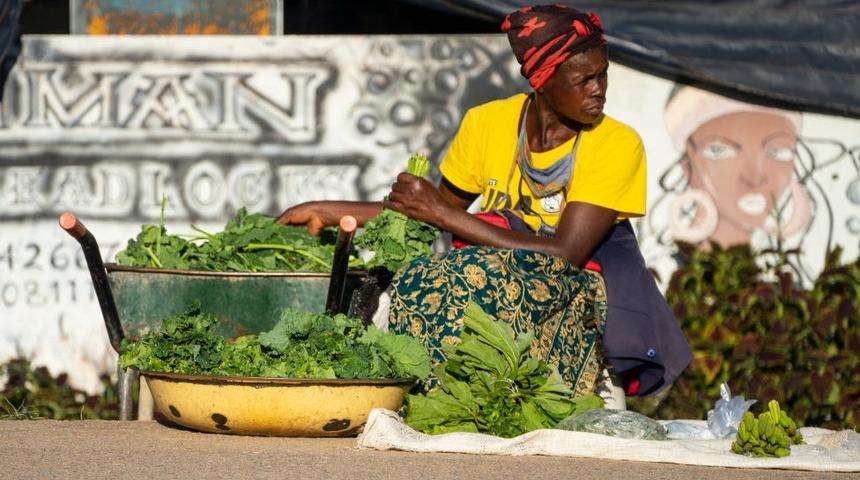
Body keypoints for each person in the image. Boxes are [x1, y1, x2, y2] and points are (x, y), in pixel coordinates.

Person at [279, 5, 691, 402]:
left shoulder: (616, 143)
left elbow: (565, 254)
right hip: (502, 318)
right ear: (541, 80)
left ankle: (596, 375)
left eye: (602, 75)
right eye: (583, 79)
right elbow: (433, 210)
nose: (598, 90)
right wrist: (331, 210)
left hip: (575, 307)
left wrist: (444, 214)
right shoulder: (486, 124)